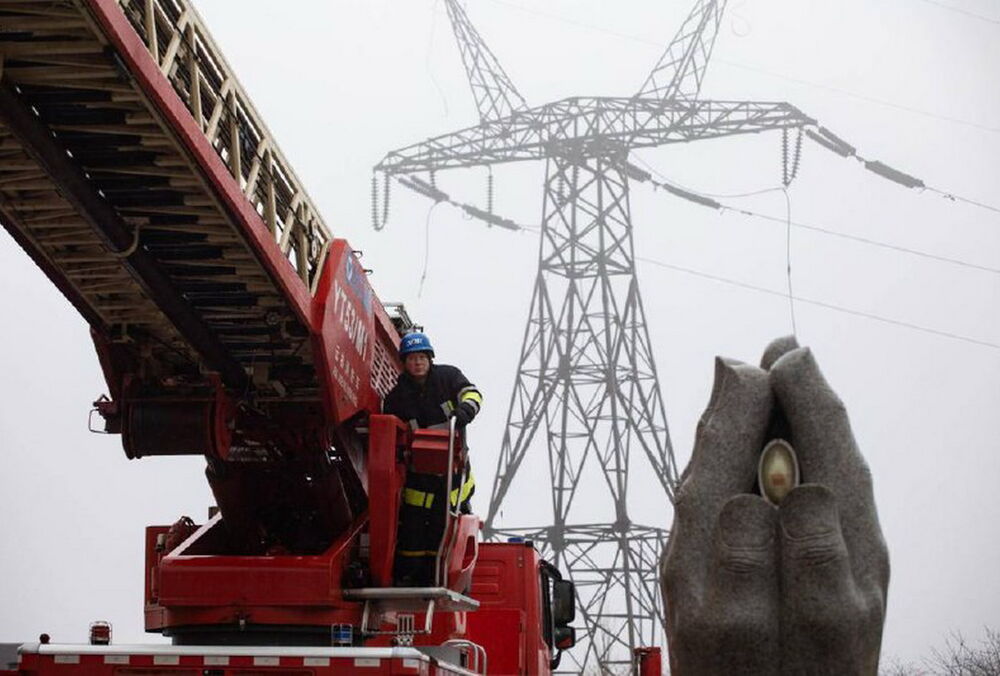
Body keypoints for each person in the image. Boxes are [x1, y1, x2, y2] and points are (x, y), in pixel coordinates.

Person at [383, 331, 482, 586]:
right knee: (413, 531)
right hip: (418, 475)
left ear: (430, 358)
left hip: (453, 475)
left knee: (444, 527)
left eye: (422, 357)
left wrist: (465, 410)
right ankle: (412, 577)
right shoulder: (397, 397)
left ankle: (439, 578)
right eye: (412, 358)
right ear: (404, 362)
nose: (418, 363)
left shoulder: (448, 378)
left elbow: (472, 393)